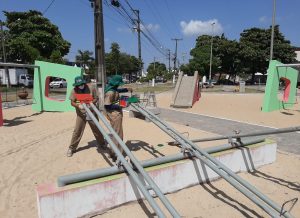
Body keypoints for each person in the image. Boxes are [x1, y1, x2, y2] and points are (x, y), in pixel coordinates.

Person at [67, 76, 105, 157]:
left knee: (97, 129)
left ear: (84, 83)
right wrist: (78, 105)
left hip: (91, 112)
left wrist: (91, 104)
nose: (81, 86)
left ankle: (102, 144)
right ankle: (72, 148)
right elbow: (72, 102)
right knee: (77, 131)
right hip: (81, 114)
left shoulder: (91, 87)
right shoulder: (74, 90)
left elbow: (96, 98)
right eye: (79, 85)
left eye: (82, 84)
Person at [104, 75, 132, 161]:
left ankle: (113, 152)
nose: (119, 86)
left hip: (115, 113)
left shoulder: (112, 88)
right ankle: (116, 153)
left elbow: (117, 90)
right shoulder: (110, 93)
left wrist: (126, 89)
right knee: (118, 134)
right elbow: (107, 106)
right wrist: (121, 105)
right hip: (115, 115)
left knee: (114, 133)